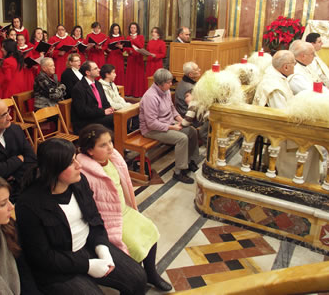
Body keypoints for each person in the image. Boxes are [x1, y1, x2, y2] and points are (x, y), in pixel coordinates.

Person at [16, 138, 147, 295]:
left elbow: (95, 218)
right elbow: (43, 257)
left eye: (75, 158)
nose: (80, 165)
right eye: (71, 163)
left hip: (88, 247)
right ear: (55, 169)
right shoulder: (29, 204)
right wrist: (87, 265)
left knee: (138, 277)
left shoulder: (79, 182)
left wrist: (102, 247)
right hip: (58, 266)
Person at [77, 124, 172, 291]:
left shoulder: (114, 159)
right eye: (103, 145)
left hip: (124, 210)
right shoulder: (86, 173)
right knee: (134, 245)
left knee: (150, 229)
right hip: (109, 219)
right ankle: (134, 277)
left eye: (110, 142)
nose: (110, 148)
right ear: (90, 151)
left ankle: (151, 273)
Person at [253, 50, 320, 183]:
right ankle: (296, 181)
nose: (295, 67)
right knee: (311, 142)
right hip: (280, 128)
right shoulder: (274, 85)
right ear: (285, 67)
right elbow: (282, 114)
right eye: (294, 64)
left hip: (282, 121)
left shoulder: (277, 76)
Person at [140, 68, 199, 184]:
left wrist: (180, 119)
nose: (171, 84)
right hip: (151, 129)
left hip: (167, 123)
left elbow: (172, 109)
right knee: (182, 138)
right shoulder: (150, 97)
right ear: (160, 84)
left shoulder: (165, 91)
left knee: (192, 131)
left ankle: (191, 161)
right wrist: (172, 127)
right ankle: (179, 172)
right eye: (169, 82)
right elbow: (151, 123)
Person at [71, 61, 114, 133]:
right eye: (95, 68)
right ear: (88, 72)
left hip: (98, 115)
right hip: (86, 120)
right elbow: (82, 111)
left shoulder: (98, 84)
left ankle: (118, 141)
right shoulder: (78, 88)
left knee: (120, 115)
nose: (99, 70)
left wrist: (109, 108)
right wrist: (103, 112)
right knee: (115, 119)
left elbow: (104, 102)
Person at [174, 61, 208, 143]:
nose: (199, 70)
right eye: (197, 69)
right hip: (188, 117)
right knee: (211, 118)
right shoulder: (189, 88)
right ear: (190, 75)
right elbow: (193, 108)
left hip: (187, 113)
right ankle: (208, 143)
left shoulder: (184, 81)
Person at [124, 22, 146, 97]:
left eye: (134, 28)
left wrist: (135, 39)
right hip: (131, 58)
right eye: (131, 28)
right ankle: (129, 92)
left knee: (138, 75)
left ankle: (138, 93)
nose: (132, 29)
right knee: (131, 75)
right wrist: (128, 50)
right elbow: (126, 47)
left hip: (138, 58)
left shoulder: (140, 37)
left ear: (137, 29)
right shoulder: (128, 37)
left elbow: (141, 46)